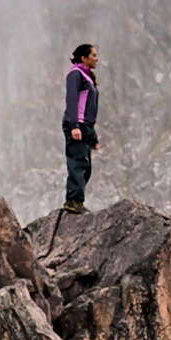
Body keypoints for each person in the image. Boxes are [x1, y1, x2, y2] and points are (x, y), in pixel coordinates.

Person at [62, 42, 99, 213]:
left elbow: (89, 109)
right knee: (77, 162)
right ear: (83, 58)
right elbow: (72, 100)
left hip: (85, 127)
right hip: (76, 124)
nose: (97, 59)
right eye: (93, 55)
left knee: (86, 166)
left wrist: (92, 137)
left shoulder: (88, 76)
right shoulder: (75, 75)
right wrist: (74, 126)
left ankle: (77, 200)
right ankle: (73, 201)